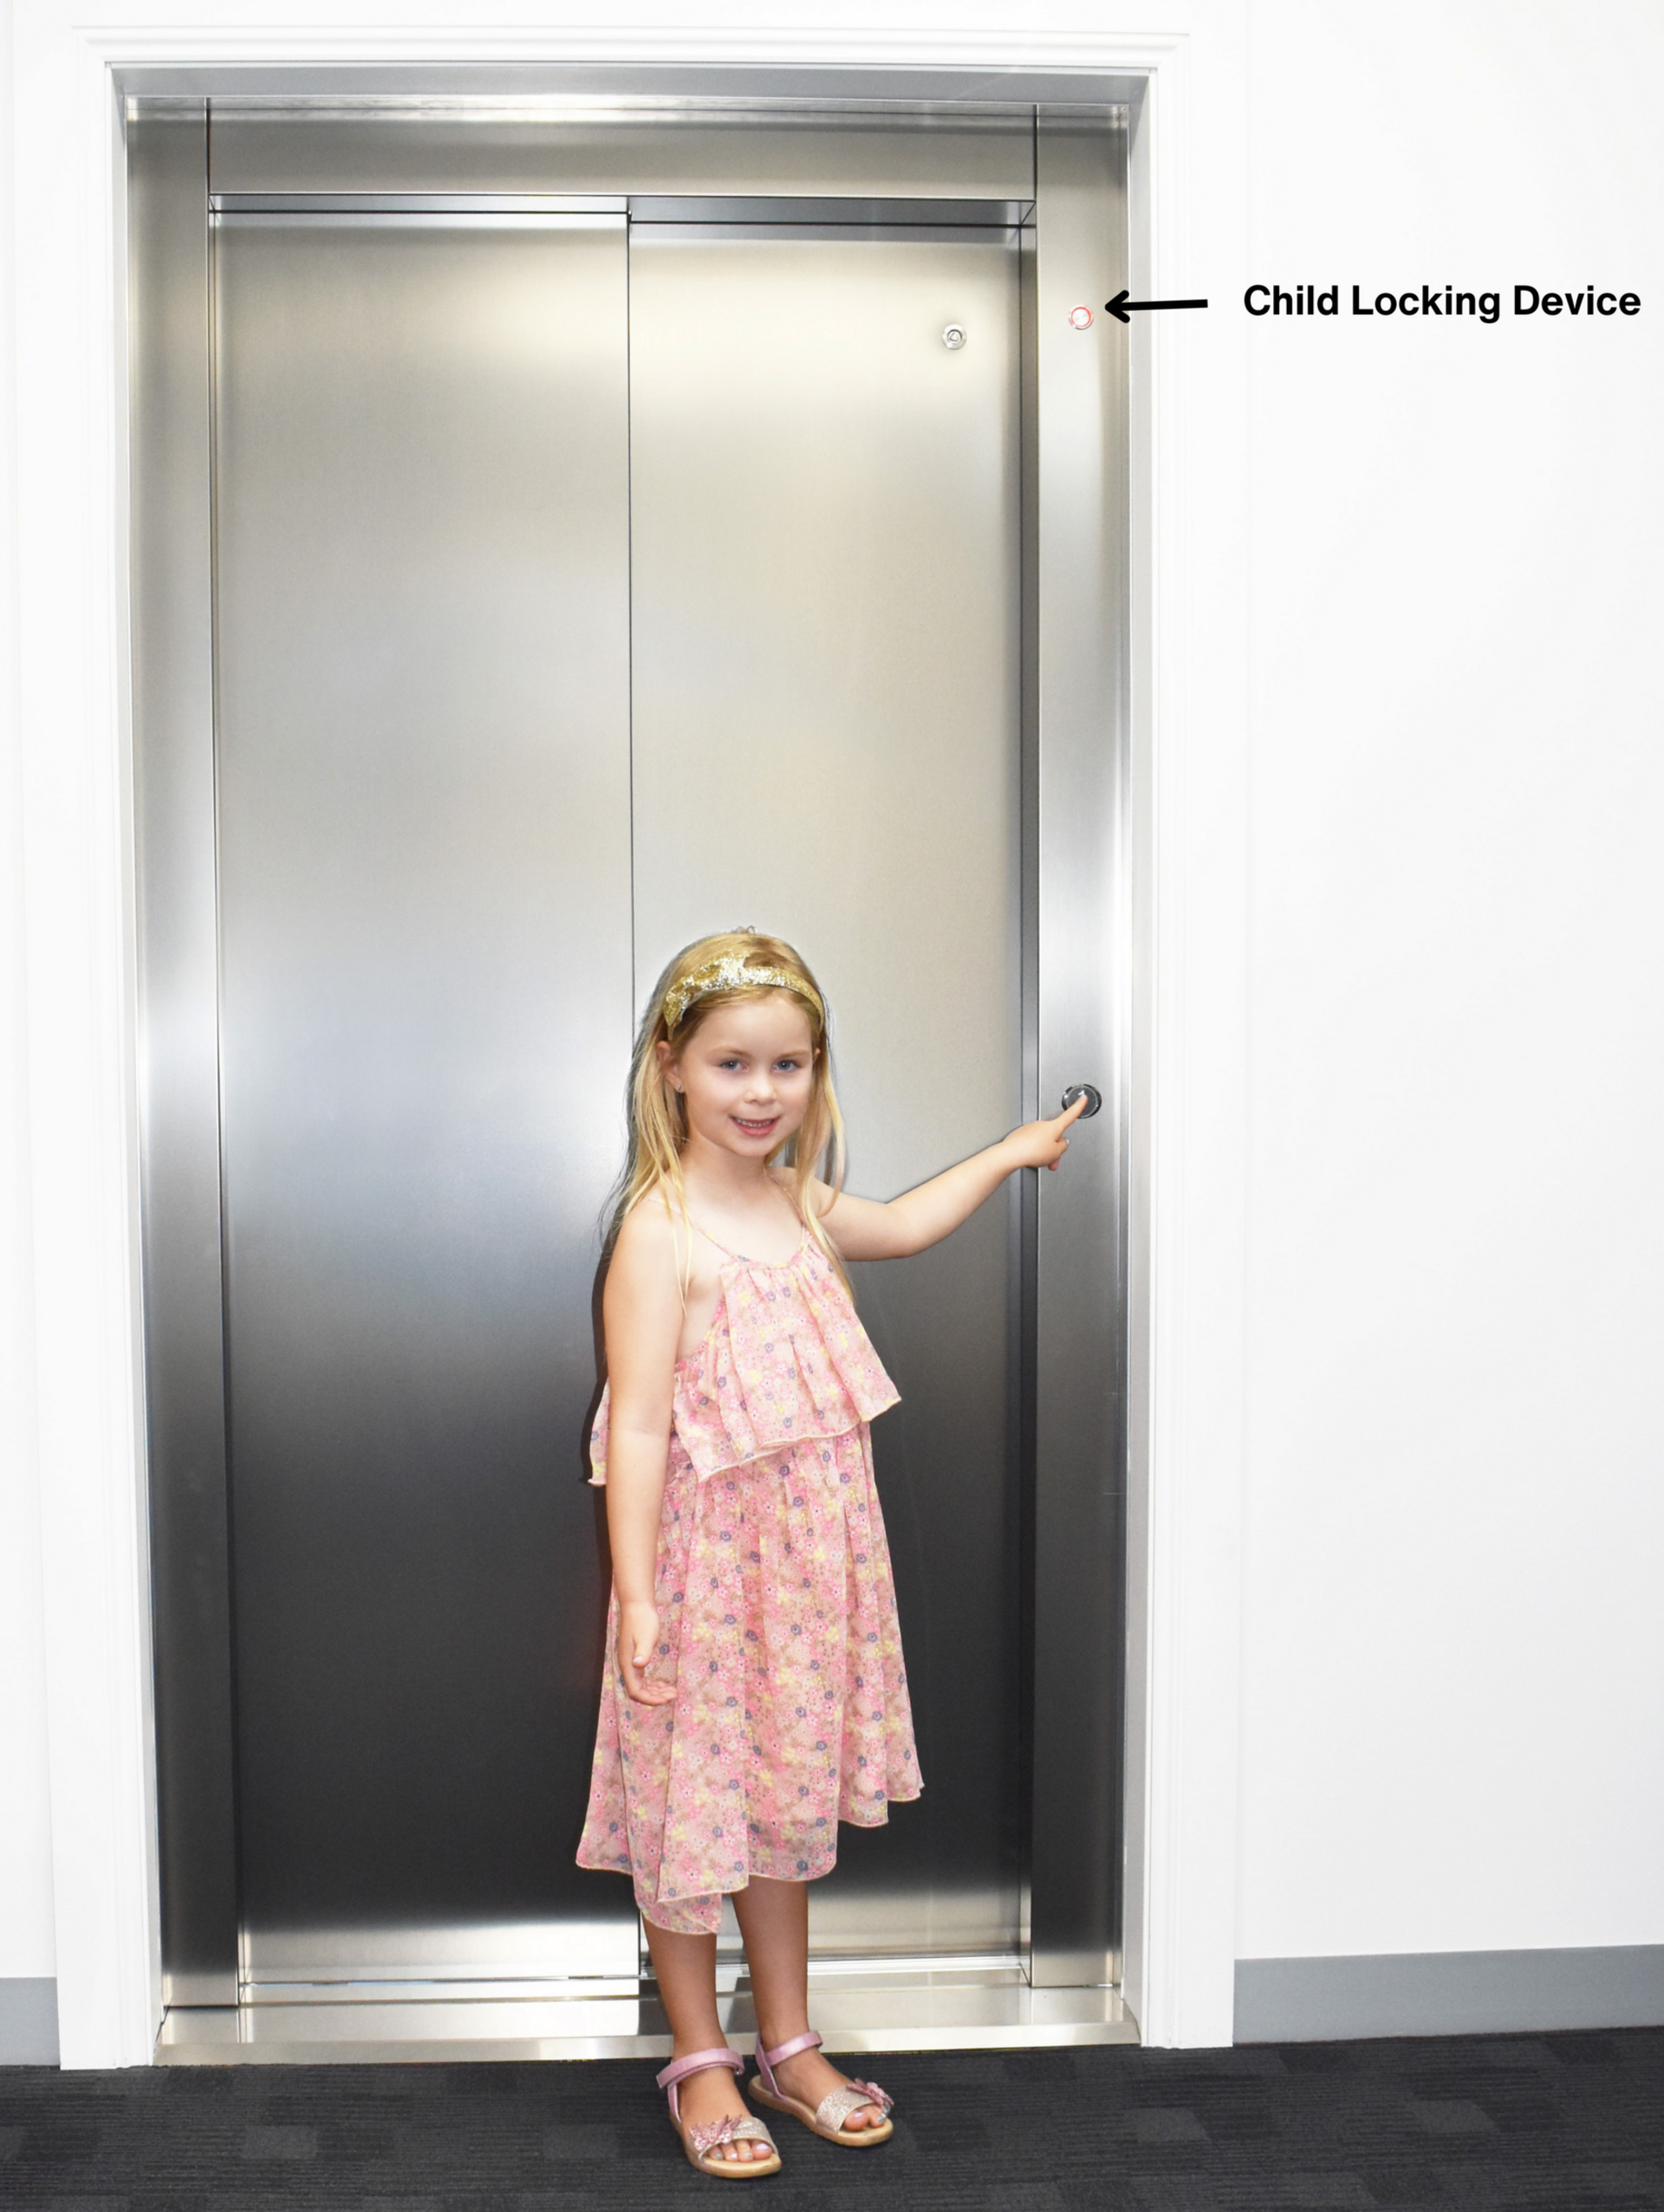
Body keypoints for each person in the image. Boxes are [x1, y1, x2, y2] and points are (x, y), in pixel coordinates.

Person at [576, 929, 1086, 2178]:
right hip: (700, 1582)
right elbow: (637, 1422)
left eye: (789, 1065)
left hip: (803, 1585)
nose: (763, 1092)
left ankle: (789, 2042)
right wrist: (638, 1596)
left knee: (781, 1815)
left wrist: (1016, 1154)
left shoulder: (797, 1206)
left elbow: (905, 1225)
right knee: (692, 1820)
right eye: (735, 1064)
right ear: (673, 1069)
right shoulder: (664, 1230)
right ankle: (701, 2058)